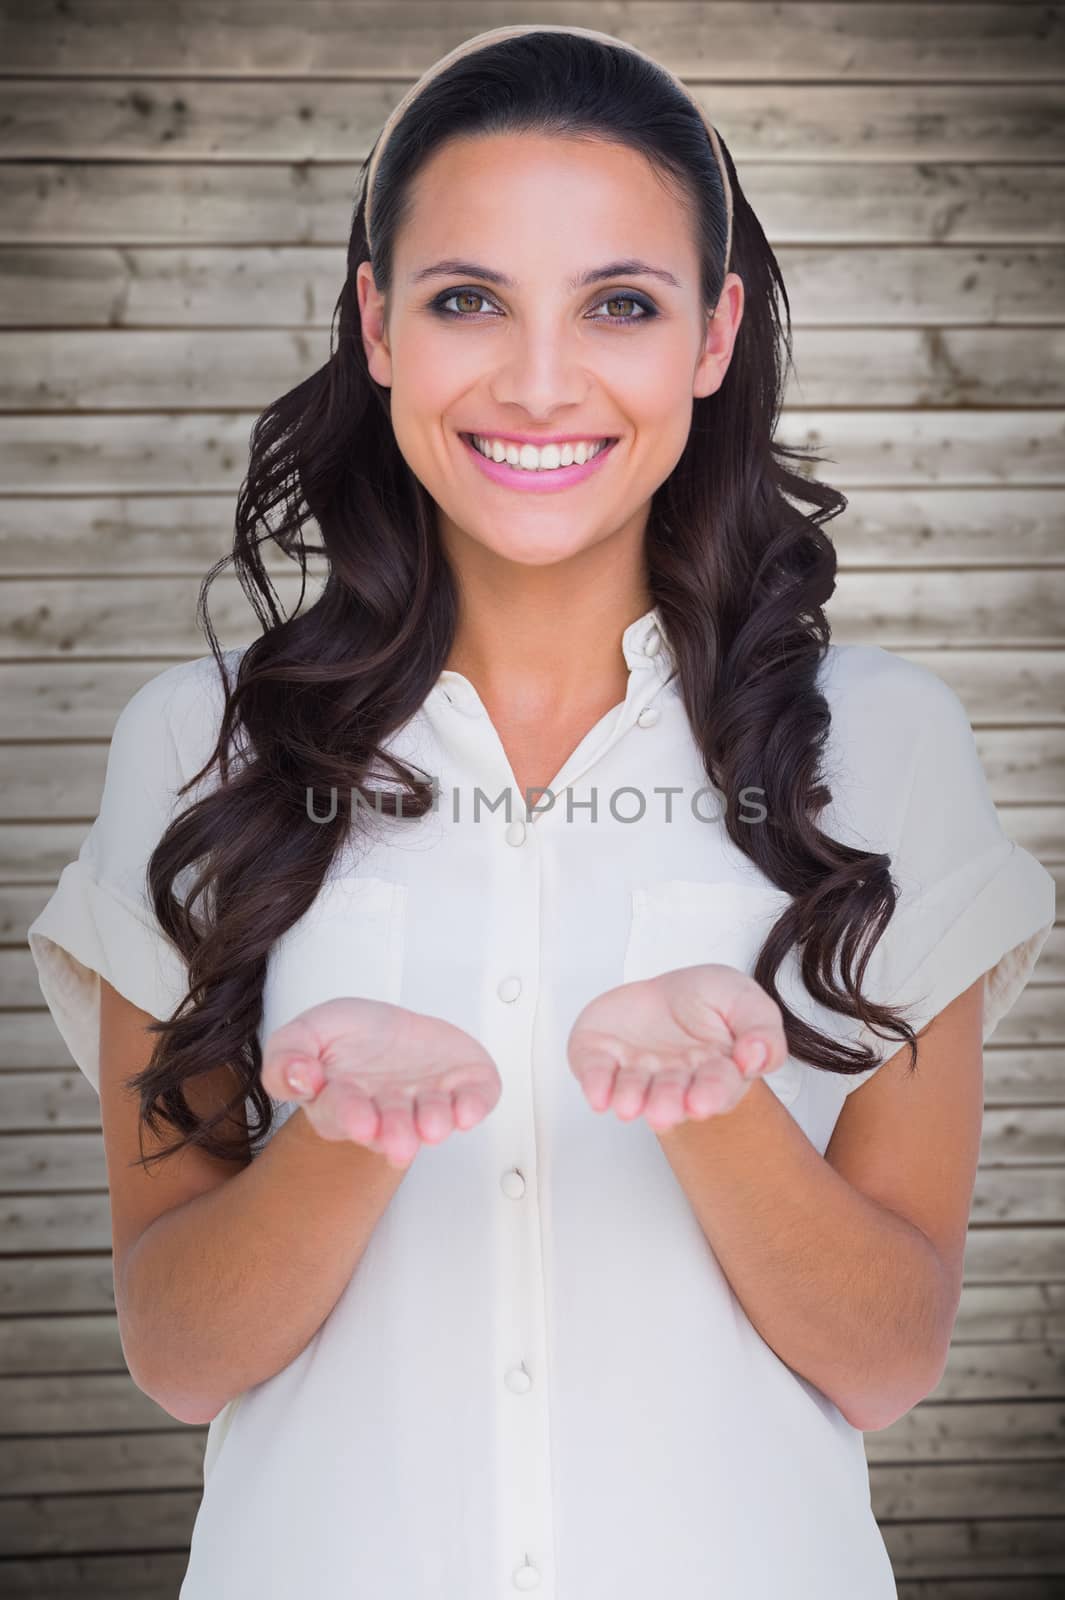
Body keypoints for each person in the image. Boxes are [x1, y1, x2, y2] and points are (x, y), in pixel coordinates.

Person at [27, 24, 1056, 1600]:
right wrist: (348, 1145)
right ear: (377, 323)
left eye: (620, 306)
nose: (537, 381)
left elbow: (884, 1360)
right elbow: (178, 1354)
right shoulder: (200, 747)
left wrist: (717, 1107)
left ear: (711, 337)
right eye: (466, 300)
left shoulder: (885, 750)